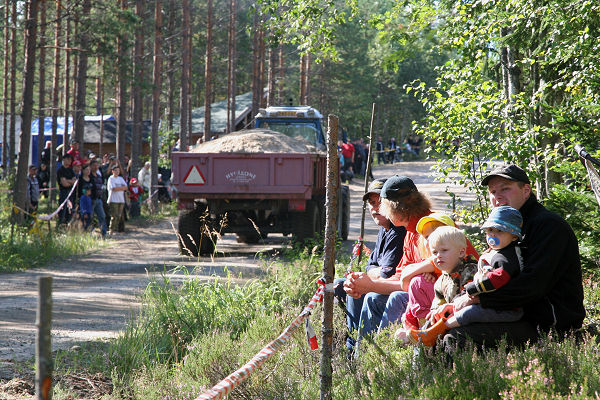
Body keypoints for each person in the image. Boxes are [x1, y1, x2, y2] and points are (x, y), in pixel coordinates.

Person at [442, 164, 586, 350]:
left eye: (505, 189)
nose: (497, 196)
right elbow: (491, 276)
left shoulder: (548, 226)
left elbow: (532, 286)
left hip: (548, 325)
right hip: (513, 313)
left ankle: (465, 380)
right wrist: (455, 304)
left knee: (456, 337)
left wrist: (479, 300)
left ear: (526, 190)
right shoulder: (504, 226)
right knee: (439, 327)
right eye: (493, 191)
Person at [409, 207, 525, 346]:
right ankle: (423, 345)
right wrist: (436, 311)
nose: (493, 235)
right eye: (490, 231)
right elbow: (440, 300)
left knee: (469, 313)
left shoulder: (506, 257)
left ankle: (440, 330)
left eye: (499, 231)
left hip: (506, 308)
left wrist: (472, 289)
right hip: (488, 304)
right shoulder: (492, 253)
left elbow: (498, 278)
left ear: (514, 236)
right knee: (435, 317)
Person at [343, 176, 433, 348]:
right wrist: (367, 283)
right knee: (372, 297)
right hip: (422, 294)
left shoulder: (428, 227)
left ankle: (381, 357)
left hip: (444, 298)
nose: (378, 210)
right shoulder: (409, 230)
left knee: (389, 297)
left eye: (382, 204)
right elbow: (400, 275)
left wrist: (371, 285)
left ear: (396, 207)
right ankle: (360, 356)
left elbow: (417, 279)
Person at [334, 178, 406, 352]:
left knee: (359, 290)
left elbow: (385, 274)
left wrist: (372, 273)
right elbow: (370, 265)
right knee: (340, 284)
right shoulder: (384, 229)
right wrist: (372, 271)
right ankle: (349, 337)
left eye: (380, 203)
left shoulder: (398, 231)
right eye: (372, 204)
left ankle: (358, 348)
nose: (375, 209)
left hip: (395, 289)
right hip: (386, 283)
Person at [107, 164, 128, 235]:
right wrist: (121, 188)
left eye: (118, 171)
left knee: (119, 216)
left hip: (121, 200)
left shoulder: (120, 179)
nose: (117, 172)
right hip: (113, 200)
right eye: (115, 170)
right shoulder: (111, 179)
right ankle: (111, 229)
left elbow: (126, 187)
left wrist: (120, 188)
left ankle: (117, 229)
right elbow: (114, 188)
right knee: (114, 216)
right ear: (112, 171)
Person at [57, 153, 77, 226]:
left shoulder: (71, 170)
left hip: (71, 193)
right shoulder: (60, 170)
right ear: (63, 159)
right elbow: (64, 183)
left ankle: (68, 224)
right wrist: (70, 181)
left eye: (70, 160)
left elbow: (75, 181)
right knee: (63, 210)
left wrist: (68, 181)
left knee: (70, 210)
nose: (69, 161)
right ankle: (61, 225)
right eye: (68, 159)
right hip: (63, 192)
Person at [89, 160, 107, 237]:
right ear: (90, 166)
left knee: (102, 216)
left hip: (99, 199)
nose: (96, 167)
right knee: (90, 216)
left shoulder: (99, 176)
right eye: (94, 165)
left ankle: (104, 232)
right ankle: (90, 232)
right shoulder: (89, 177)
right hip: (91, 199)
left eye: (97, 165)